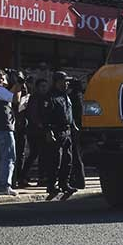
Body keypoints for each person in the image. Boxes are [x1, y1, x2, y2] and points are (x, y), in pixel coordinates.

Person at [42, 71, 77, 201]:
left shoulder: (65, 96)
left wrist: (73, 126)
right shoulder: (50, 97)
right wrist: (48, 131)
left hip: (67, 131)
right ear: (57, 81)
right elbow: (45, 116)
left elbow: (69, 113)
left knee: (68, 160)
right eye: (64, 81)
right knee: (55, 160)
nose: (66, 83)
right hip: (56, 131)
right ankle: (51, 185)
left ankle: (64, 184)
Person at [19, 78, 49, 188]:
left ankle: (24, 176)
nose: (44, 88)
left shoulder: (44, 98)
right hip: (35, 130)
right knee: (38, 154)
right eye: (42, 86)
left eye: (45, 86)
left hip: (36, 130)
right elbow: (33, 114)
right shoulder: (34, 98)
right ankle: (38, 177)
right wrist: (40, 124)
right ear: (37, 87)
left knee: (36, 154)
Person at [67, 78, 86, 190]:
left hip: (75, 127)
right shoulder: (80, 96)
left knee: (75, 155)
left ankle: (78, 180)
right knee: (76, 154)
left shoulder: (74, 97)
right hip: (79, 127)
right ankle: (79, 180)